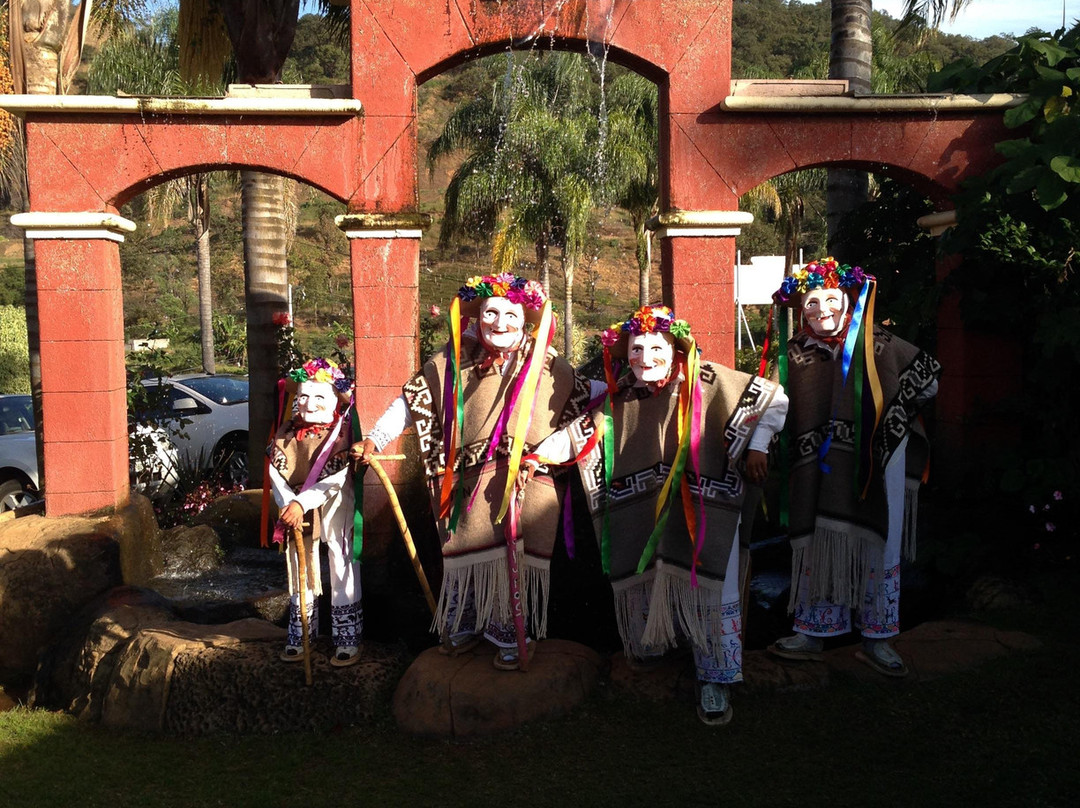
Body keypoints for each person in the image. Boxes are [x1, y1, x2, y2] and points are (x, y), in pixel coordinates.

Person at [526, 306, 787, 724]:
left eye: (655, 347)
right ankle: (660, 644)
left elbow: (774, 399)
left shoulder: (710, 380)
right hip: (651, 509)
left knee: (711, 586)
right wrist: (535, 456)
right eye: (636, 348)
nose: (645, 357)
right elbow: (579, 436)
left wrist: (757, 445)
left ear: (676, 347)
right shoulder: (622, 397)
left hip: (709, 510)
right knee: (655, 573)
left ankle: (715, 677)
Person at [352, 274, 598, 670]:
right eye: (491, 313)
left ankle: (508, 627)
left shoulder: (547, 363)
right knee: (465, 546)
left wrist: (628, 388)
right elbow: (412, 399)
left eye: (510, 314)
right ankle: (466, 618)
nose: (500, 323)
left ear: (526, 319)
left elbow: (588, 393)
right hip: (467, 479)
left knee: (511, 549)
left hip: (523, 480)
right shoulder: (451, 361)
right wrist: (376, 438)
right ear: (477, 316)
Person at [766, 258, 941, 677]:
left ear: (847, 300)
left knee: (877, 543)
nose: (822, 310)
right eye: (811, 303)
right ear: (801, 309)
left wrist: (891, 417)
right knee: (819, 541)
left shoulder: (879, 343)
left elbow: (929, 381)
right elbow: (771, 403)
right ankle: (813, 632)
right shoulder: (792, 356)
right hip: (818, 471)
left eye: (830, 299)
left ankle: (878, 637)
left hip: (877, 468)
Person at [268, 358, 362, 667]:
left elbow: (335, 479)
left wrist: (300, 503)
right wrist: (286, 503)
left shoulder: (343, 433)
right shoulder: (284, 433)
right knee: (299, 560)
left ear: (335, 400)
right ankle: (302, 632)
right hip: (294, 509)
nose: (309, 403)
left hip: (334, 505)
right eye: (304, 396)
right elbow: (275, 471)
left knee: (341, 557)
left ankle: (347, 637)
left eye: (320, 396)